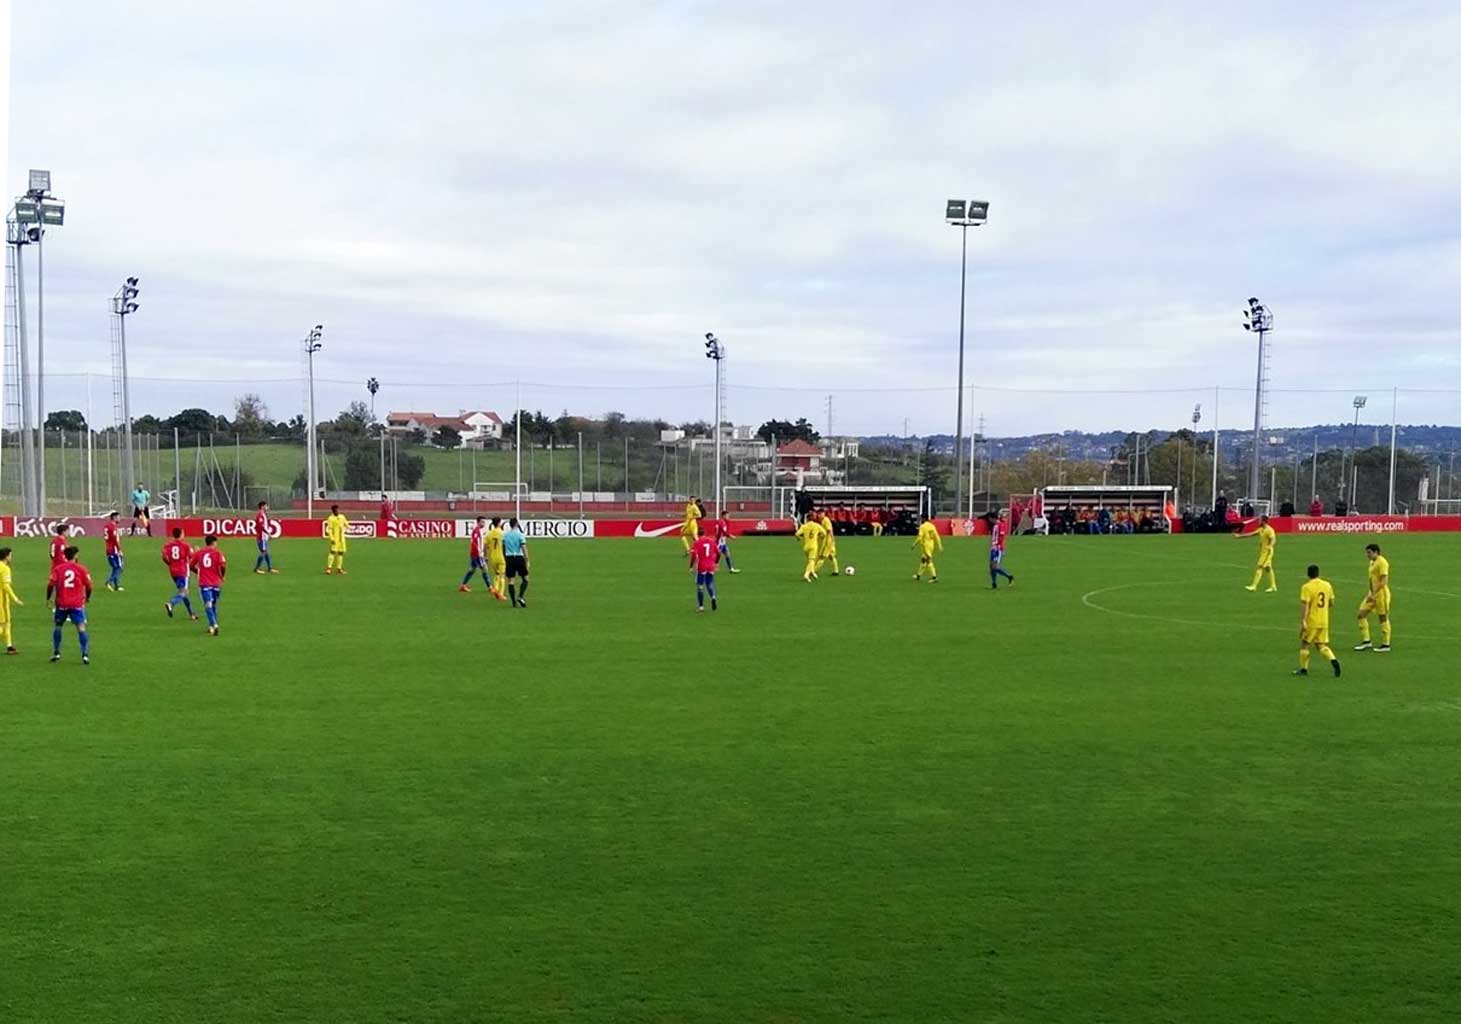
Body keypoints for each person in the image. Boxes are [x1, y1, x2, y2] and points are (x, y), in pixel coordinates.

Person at [47, 546, 93, 665]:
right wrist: (87, 597)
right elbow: (89, 586)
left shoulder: (58, 569)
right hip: (76, 603)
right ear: (76, 555)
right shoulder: (81, 569)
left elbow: (50, 584)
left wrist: (48, 598)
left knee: (58, 626)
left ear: (65, 556)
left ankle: (56, 652)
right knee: (81, 628)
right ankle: (85, 654)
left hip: (61, 603)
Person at [1295, 564, 1341, 678]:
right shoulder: (1327, 585)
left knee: (1305, 644)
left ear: (1308, 574)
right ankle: (1333, 660)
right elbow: (1331, 603)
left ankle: (1303, 669)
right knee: (1321, 645)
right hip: (1324, 620)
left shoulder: (1306, 587)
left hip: (1312, 620)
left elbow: (1305, 605)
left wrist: (1303, 621)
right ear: (1318, 573)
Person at [1355, 543, 1392, 652]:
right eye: (1367, 552)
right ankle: (1367, 641)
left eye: (1369, 552)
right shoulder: (1372, 562)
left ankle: (1386, 644)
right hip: (1372, 594)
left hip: (1382, 595)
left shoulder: (1382, 562)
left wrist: (1374, 593)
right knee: (1361, 615)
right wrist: (1370, 592)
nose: (1367, 555)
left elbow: (1383, 581)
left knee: (1383, 618)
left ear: (1376, 552)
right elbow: (1372, 579)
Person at [190, 534, 227, 637]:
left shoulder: (199, 553)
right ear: (214, 542)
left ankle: (214, 625)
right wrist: (222, 576)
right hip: (216, 582)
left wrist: (198, 572)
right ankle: (212, 625)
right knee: (213, 605)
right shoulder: (218, 553)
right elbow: (223, 565)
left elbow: (190, 565)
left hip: (204, 582)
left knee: (208, 605)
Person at [162, 528, 198, 621]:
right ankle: (171, 603)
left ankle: (191, 613)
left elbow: (164, 557)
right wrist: (197, 552)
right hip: (183, 571)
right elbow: (192, 557)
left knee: (182, 592)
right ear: (181, 534)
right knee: (184, 592)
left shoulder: (168, 545)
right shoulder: (185, 545)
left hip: (173, 572)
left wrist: (170, 564)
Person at [1239, 514, 1278, 592]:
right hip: (1263, 552)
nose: (1258, 521)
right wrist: (1239, 536)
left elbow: (1273, 539)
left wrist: (1270, 546)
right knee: (1268, 568)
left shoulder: (1269, 530)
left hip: (1267, 552)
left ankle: (1254, 586)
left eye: (1260, 520)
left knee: (1260, 567)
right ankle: (1273, 586)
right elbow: (1251, 534)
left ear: (1263, 521)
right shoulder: (1261, 529)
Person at [460, 517, 494, 593]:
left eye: (484, 522)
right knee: (484, 569)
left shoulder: (479, 531)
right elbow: (474, 543)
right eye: (482, 522)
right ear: (478, 522)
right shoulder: (476, 531)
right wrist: (480, 554)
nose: (484, 523)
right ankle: (490, 587)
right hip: (477, 554)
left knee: (472, 570)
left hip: (475, 554)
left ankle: (463, 585)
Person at [690, 531, 720, 612]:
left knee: (700, 586)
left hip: (701, 566)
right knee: (709, 584)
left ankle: (701, 607)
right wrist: (716, 563)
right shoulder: (711, 541)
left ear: (698, 535)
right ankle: (713, 597)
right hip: (711, 566)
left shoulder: (697, 543)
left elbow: (693, 555)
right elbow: (718, 553)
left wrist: (690, 566)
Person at [502, 518, 530, 607]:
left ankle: (514, 601)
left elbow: (503, 547)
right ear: (517, 524)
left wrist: (505, 557)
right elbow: (523, 547)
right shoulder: (520, 535)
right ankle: (520, 596)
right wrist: (527, 559)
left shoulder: (505, 535)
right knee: (525, 578)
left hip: (509, 558)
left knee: (511, 580)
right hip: (518, 557)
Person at [0, 547, 22, 654]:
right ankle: (9, 646)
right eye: (10, 555)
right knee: (3, 624)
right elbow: (5, 586)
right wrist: (15, 598)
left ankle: (9, 646)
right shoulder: (5, 568)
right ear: (6, 556)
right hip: (2, 600)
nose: (11, 557)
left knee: (7, 623)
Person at [795, 515, 826, 582]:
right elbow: (824, 533)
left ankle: (812, 572)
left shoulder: (804, 526)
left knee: (810, 561)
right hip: (813, 546)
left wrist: (799, 539)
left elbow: (797, 534)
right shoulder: (817, 525)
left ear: (807, 519)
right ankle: (806, 575)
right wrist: (820, 537)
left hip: (806, 547)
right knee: (812, 561)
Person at [989, 510, 1015, 589]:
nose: (989, 520)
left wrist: (999, 547)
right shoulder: (995, 525)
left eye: (990, 518)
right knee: (991, 566)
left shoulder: (1001, 525)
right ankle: (994, 583)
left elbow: (1001, 537)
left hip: (997, 549)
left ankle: (1009, 576)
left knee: (995, 566)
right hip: (993, 548)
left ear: (992, 518)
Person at [914, 514, 942, 582]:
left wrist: (914, 544)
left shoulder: (923, 526)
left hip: (926, 546)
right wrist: (939, 546)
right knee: (923, 560)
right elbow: (937, 536)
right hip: (931, 545)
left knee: (928, 560)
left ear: (924, 519)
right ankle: (918, 575)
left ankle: (934, 577)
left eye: (921, 519)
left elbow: (920, 537)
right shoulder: (932, 526)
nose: (920, 520)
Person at [485, 517, 508, 602]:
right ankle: (501, 594)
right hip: (501, 556)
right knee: (502, 575)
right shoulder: (502, 533)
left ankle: (495, 588)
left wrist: (486, 556)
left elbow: (485, 546)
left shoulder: (489, 534)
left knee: (496, 574)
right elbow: (505, 545)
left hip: (493, 557)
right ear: (499, 523)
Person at [254, 501, 278, 574]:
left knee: (266, 552)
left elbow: (257, 526)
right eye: (266, 506)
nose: (267, 507)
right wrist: (268, 533)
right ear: (262, 506)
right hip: (262, 537)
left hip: (264, 537)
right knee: (263, 552)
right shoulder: (260, 515)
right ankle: (257, 568)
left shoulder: (263, 514)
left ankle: (270, 568)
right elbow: (261, 526)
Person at [103, 511, 125, 591]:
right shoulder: (113, 527)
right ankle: (109, 581)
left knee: (115, 567)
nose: (120, 519)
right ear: (114, 517)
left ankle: (117, 585)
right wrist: (119, 550)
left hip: (108, 549)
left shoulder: (107, 526)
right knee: (119, 567)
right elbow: (115, 540)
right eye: (119, 517)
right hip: (114, 550)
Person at [325, 504, 349, 575]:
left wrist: (349, 527)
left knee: (341, 553)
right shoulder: (330, 518)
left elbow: (346, 524)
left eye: (338, 509)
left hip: (342, 539)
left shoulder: (342, 517)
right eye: (335, 510)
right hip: (335, 539)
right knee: (332, 552)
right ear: (333, 511)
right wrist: (331, 538)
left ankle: (339, 569)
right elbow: (329, 529)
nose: (337, 511)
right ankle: (328, 568)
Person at [817, 509, 842, 576]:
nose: (819, 516)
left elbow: (829, 530)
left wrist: (831, 537)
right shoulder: (824, 520)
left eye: (820, 514)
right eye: (818, 514)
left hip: (828, 541)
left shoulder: (825, 520)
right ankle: (836, 571)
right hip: (830, 541)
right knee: (832, 556)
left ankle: (813, 571)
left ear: (823, 514)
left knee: (822, 556)